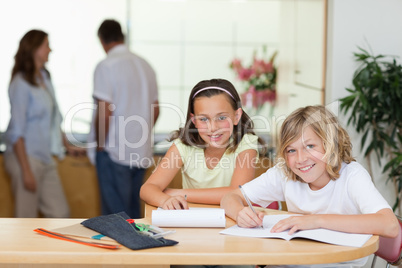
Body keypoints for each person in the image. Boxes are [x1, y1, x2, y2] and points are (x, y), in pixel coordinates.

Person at [221, 105, 399, 268]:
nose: (300, 159)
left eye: (310, 146)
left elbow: (390, 226)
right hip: (293, 260)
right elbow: (230, 197)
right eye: (291, 150)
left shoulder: (352, 175)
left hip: (338, 264)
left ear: (330, 144)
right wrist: (239, 213)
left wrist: (316, 220)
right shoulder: (285, 172)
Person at [140, 78, 266, 211]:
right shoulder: (183, 147)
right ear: (194, 120)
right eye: (204, 119)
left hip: (231, 221)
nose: (212, 127)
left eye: (222, 118)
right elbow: (147, 189)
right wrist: (165, 199)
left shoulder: (246, 144)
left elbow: (237, 194)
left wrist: (176, 194)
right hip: (193, 222)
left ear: (236, 116)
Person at [4, 29, 84, 218]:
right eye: (46, 45)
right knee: (26, 219)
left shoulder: (44, 78)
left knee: (61, 215)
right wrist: (26, 171)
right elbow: (16, 132)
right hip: (26, 159)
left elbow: (53, 118)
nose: (50, 49)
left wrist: (66, 145)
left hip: (46, 158)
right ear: (34, 49)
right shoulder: (20, 83)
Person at [87, 19, 159, 219]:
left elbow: (104, 110)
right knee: (134, 216)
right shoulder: (146, 66)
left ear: (102, 40)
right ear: (122, 37)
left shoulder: (106, 66)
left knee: (115, 219)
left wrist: (100, 147)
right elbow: (156, 109)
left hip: (114, 152)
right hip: (141, 152)